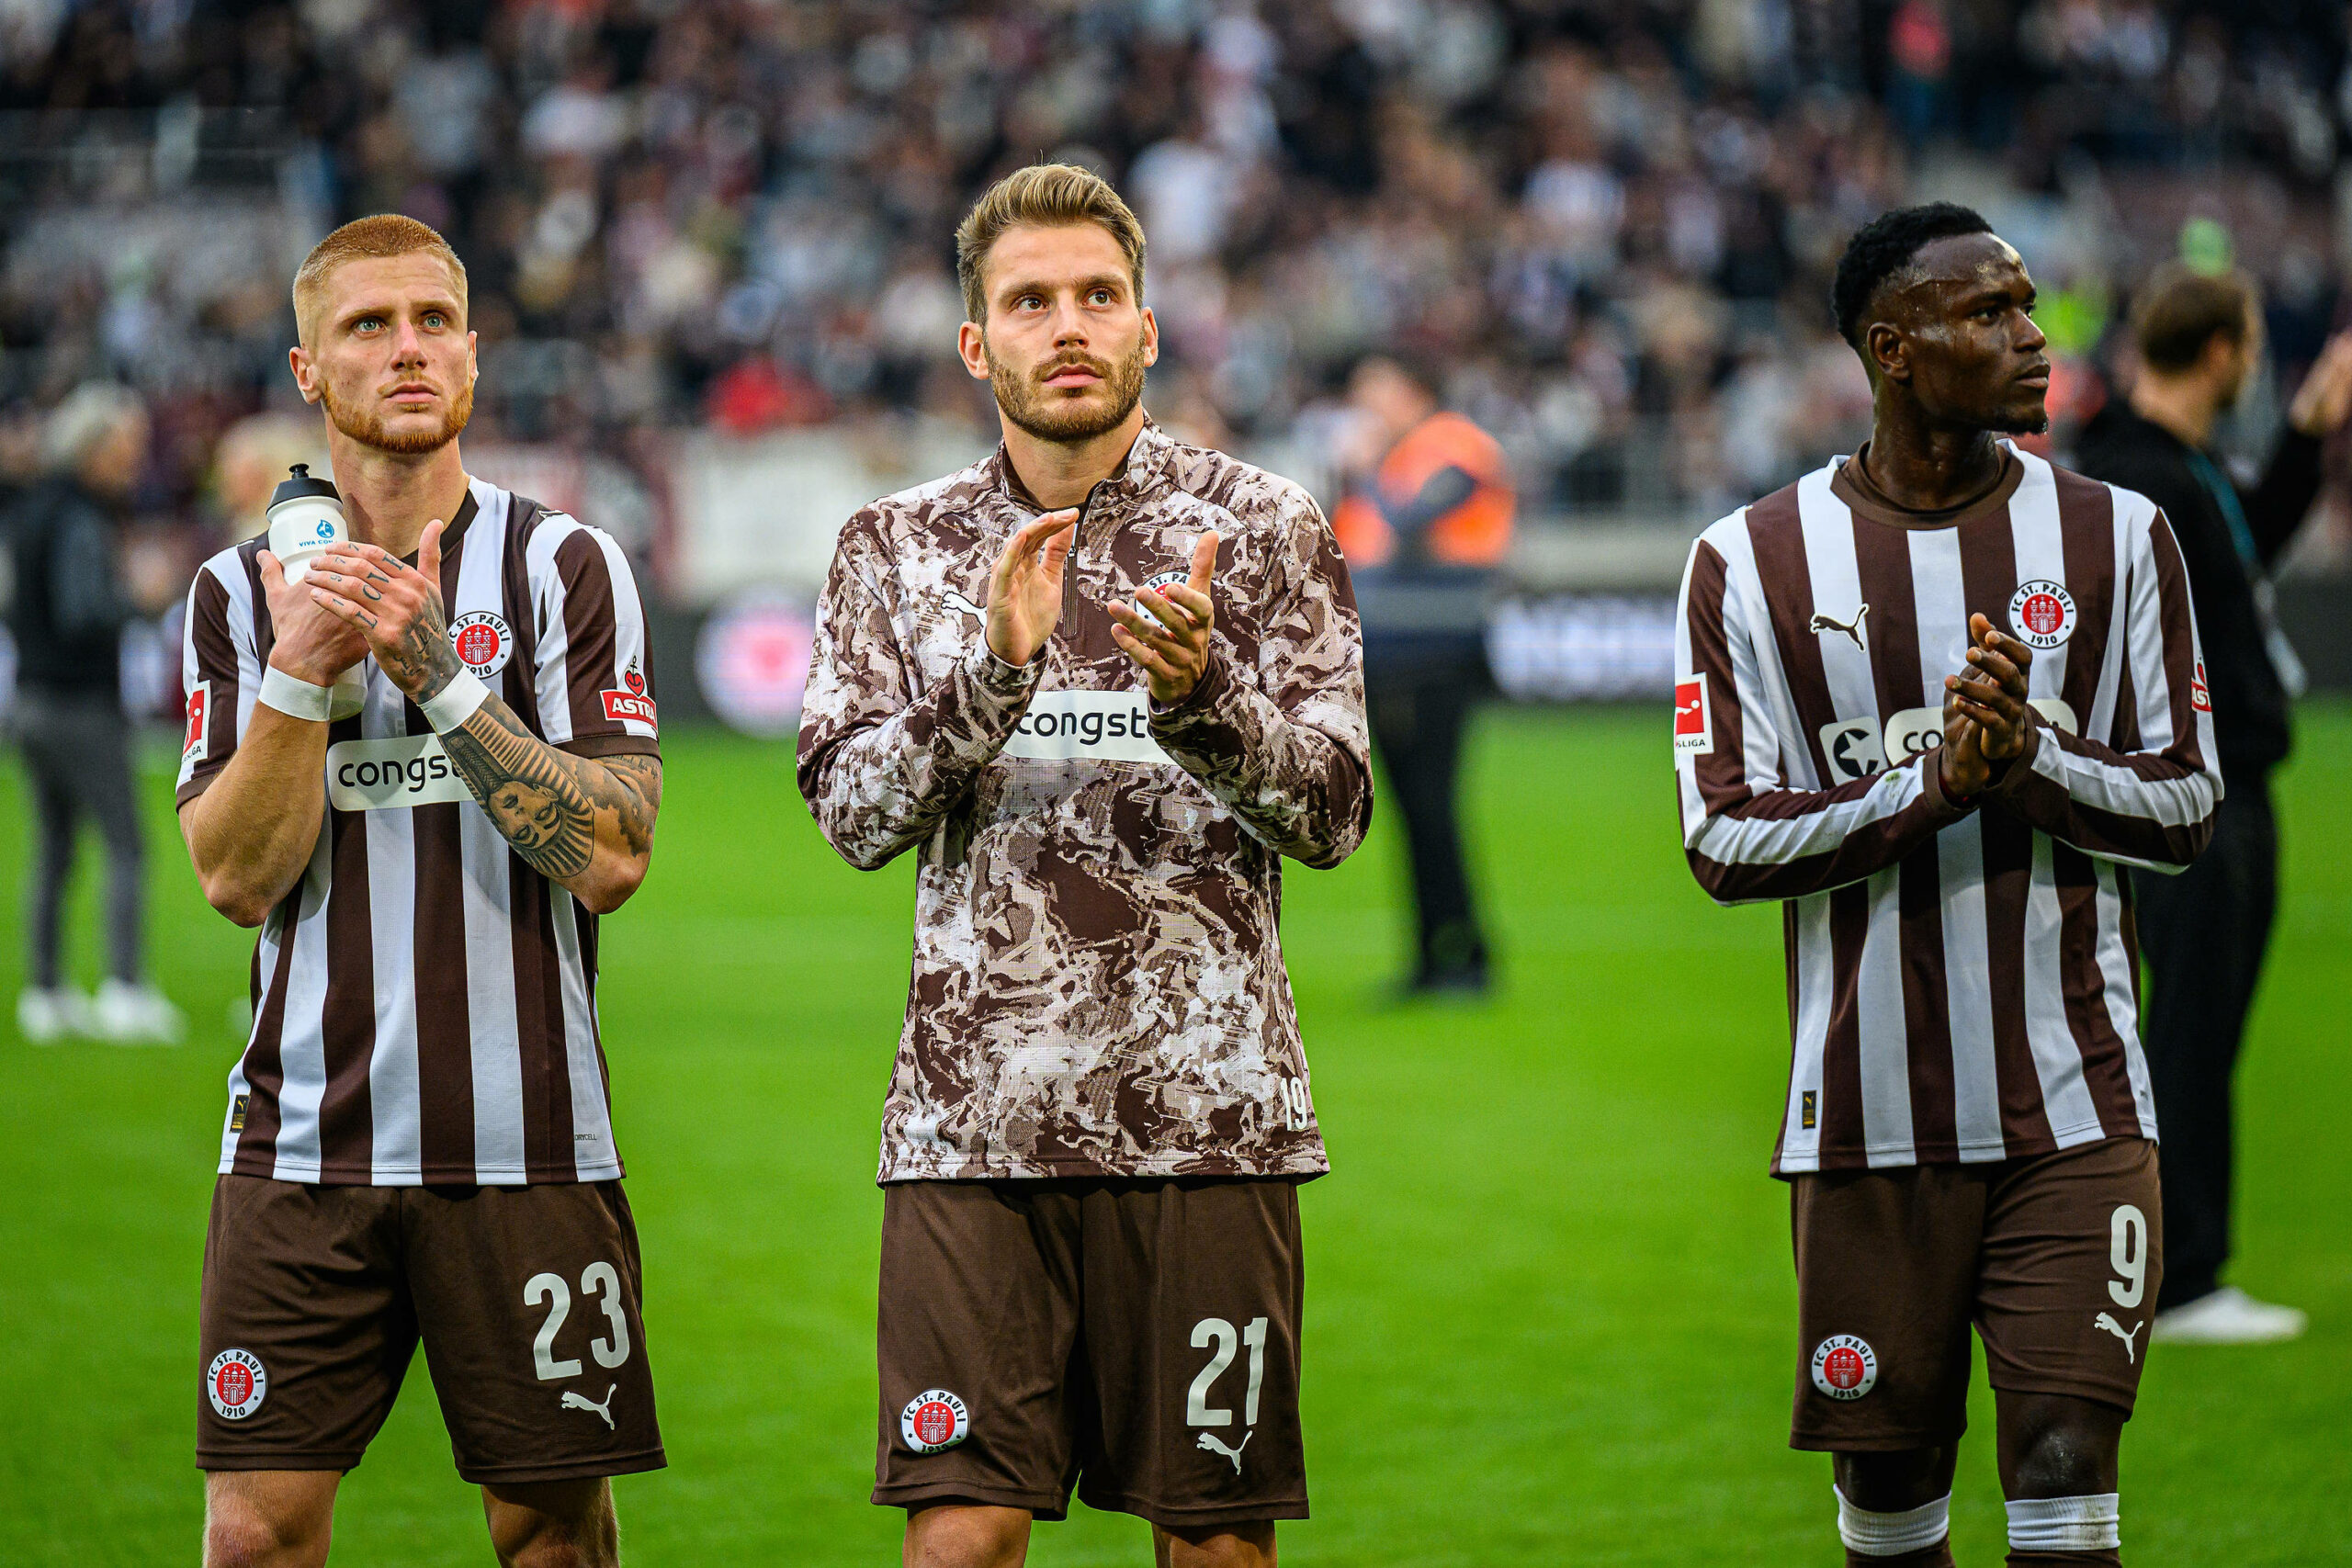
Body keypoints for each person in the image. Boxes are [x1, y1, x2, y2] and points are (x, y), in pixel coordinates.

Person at [797, 164, 1369, 1568]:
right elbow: (851, 814)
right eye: (1030, 300)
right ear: (974, 345)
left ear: (1148, 328)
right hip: (972, 1121)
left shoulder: (1267, 527)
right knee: (961, 1540)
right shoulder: (895, 543)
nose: (1069, 324)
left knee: (1216, 1546)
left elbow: (1337, 811)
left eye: (1098, 295)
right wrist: (990, 671)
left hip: (1212, 1119)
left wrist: (1207, 705)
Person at [1676, 203, 2219, 1568]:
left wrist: (2028, 758)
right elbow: (1723, 838)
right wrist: (1933, 785)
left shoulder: (2119, 536)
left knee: (2062, 1463)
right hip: (1864, 1120)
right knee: (1894, 1486)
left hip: (2078, 1103)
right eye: (1992, 313)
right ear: (1894, 347)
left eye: (2029, 305)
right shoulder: (1750, 559)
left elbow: (2190, 798)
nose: (2037, 338)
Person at [175, 215, 666, 1568]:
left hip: (530, 1139)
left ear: (472, 355)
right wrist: (301, 673)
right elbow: (232, 874)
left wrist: (439, 671)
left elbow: (613, 856)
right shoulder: (234, 595)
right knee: (256, 1533)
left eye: (433, 321)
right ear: (308, 371)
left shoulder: (568, 566)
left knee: (552, 1532)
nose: (407, 349)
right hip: (300, 1146)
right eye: (368, 326)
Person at [2070, 265, 2352, 1346]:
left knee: (2196, 1028)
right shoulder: (2147, 479)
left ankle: (2175, 1263)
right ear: (2226, 353)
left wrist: (2300, 435)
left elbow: (2240, 573)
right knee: (2187, 1032)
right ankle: (2179, 1276)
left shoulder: (2169, 471)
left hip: (2210, 785)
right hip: (2197, 793)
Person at [6, 383, 184, 1043]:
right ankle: (125, 989)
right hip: (80, 702)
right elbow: (84, 611)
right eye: (124, 446)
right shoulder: (82, 515)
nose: (134, 459)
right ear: (93, 446)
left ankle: (45, 993)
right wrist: (142, 599)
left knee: (52, 851)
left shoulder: (31, 508)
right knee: (126, 844)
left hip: (29, 699)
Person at [1331, 355, 1514, 996]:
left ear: (1414, 388)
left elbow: (1407, 525)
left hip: (1437, 654)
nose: (1362, 402)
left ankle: (1466, 953)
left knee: (1433, 804)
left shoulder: (1455, 446)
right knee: (1411, 810)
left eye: (1372, 386)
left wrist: (1363, 472)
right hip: (1390, 656)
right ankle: (1434, 956)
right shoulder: (1396, 456)